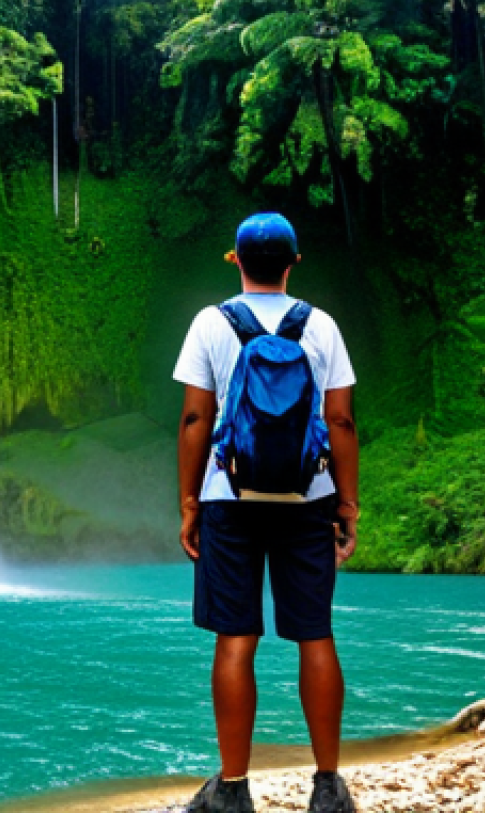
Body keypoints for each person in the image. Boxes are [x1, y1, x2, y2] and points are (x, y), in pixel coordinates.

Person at [173, 213, 360, 813]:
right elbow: (340, 422)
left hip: (230, 498)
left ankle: (232, 790)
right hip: (310, 498)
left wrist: (189, 503)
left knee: (236, 640)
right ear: (292, 263)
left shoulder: (210, 322)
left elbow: (196, 420)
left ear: (235, 261)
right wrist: (348, 504)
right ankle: (328, 787)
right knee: (315, 636)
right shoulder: (322, 326)